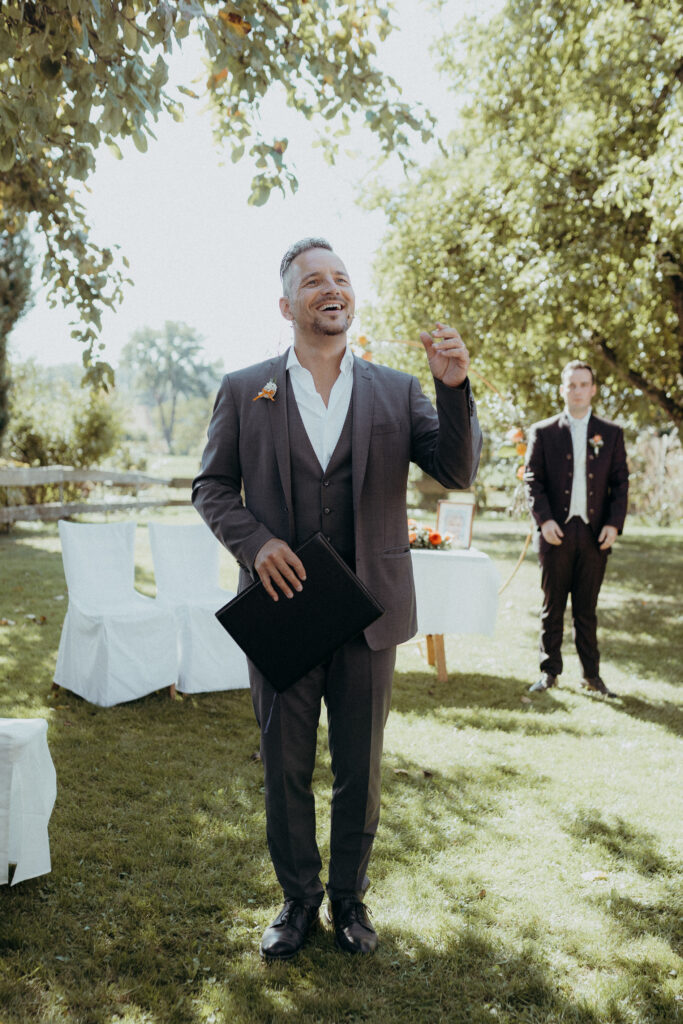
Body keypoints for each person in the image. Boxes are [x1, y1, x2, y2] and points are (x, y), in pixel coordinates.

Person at [192, 237, 482, 960]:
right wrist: (256, 544)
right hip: (282, 609)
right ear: (285, 304)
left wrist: (453, 389)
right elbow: (211, 487)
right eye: (313, 280)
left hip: (368, 612)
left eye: (341, 278)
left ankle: (350, 900)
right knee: (285, 766)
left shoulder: (397, 390)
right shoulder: (244, 389)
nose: (332, 288)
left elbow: (455, 470)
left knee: (360, 767)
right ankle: (298, 900)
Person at [524, 360, 629, 697]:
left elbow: (621, 483)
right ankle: (549, 672)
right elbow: (532, 480)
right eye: (572, 385)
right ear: (562, 389)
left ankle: (591, 676)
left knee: (587, 609)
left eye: (584, 384)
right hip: (556, 532)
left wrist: (613, 524)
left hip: (595, 534)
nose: (578, 390)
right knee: (552, 607)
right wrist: (544, 519)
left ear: (593, 389)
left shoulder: (611, 433)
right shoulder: (543, 432)